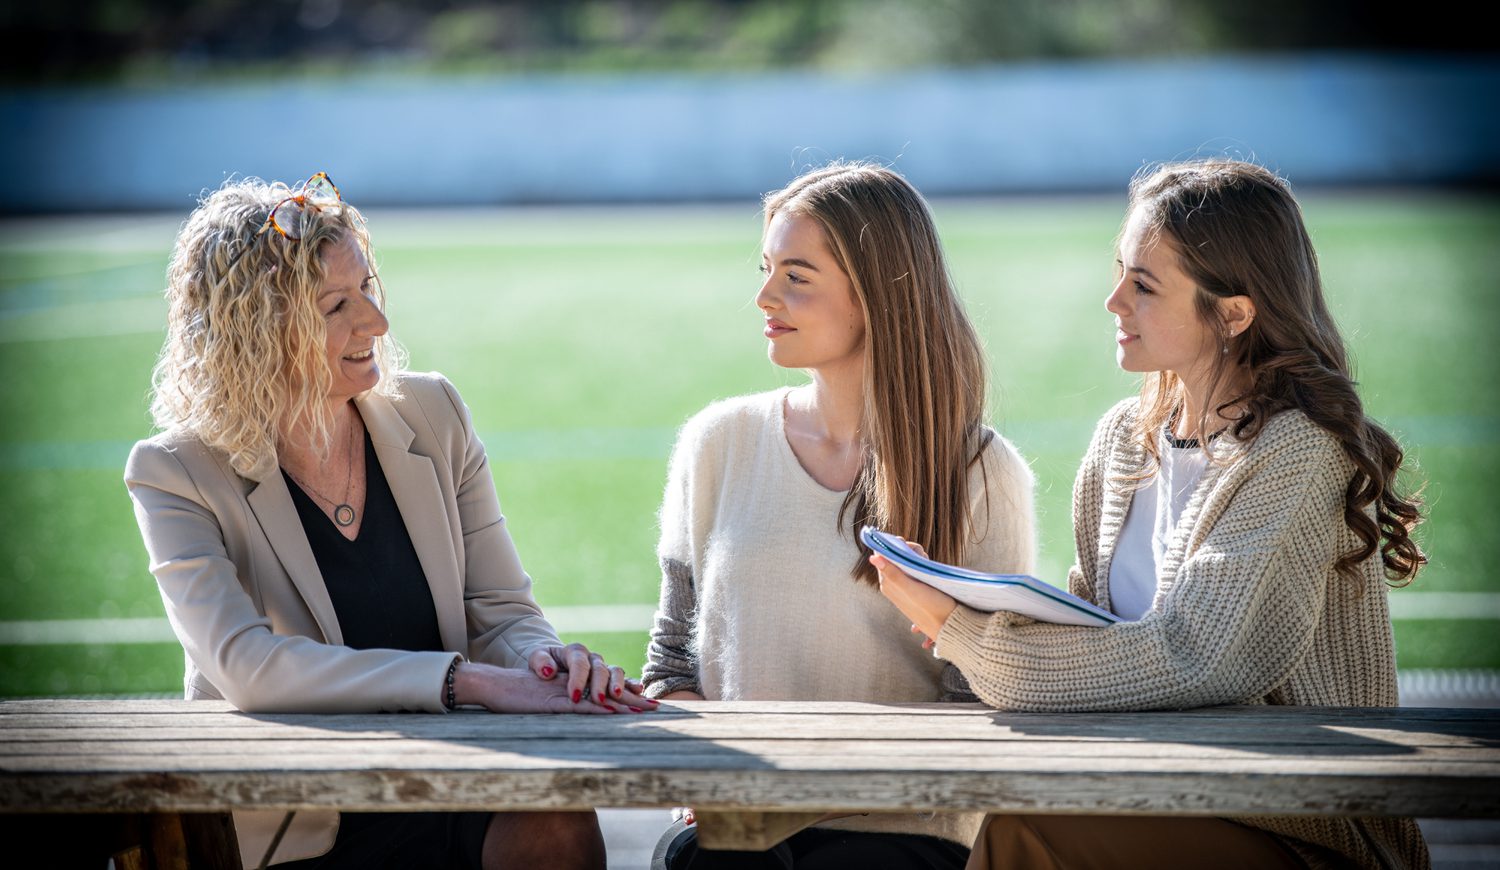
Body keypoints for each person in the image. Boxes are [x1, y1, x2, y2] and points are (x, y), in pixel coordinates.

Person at [874, 159, 1430, 869]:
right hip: (1150, 789)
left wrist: (968, 638)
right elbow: (1089, 621)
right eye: (1118, 272)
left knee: (1023, 830)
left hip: (1299, 830)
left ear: (1233, 313)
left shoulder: (1296, 450)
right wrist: (973, 612)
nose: (1112, 301)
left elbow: (1198, 657)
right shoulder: (1121, 439)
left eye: (1143, 284)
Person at [124, 173, 656, 870]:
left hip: (463, 784)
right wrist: (465, 682)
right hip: (302, 821)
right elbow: (247, 669)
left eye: (369, 287)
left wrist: (542, 664)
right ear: (251, 328)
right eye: (335, 305)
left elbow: (501, 611)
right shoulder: (174, 470)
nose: (374, 321)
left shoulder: (432, 413)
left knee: (556, 819)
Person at [642, 161, 1037, 869]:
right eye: (766, 268)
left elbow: (979, 701)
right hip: (739, 830)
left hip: (899, 836)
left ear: (879, 295)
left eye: (796, 276)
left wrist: (812, 793)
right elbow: (670, 659)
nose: (765, 296)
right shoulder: (716, 442)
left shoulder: (981, 471)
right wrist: (719, 783)